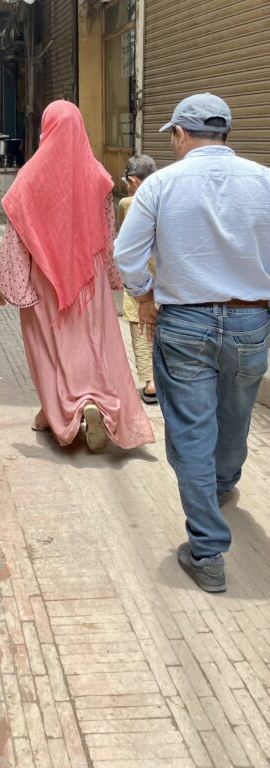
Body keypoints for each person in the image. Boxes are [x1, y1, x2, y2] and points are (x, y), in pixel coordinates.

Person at [114, 93, 270, 593]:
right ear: (224, 132)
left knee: (191, 431)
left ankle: (206, 551)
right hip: (250, 321)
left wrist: (143, 295)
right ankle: (222, 487)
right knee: (235, 415)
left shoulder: (160, 184)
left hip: (185, 323)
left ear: (180, 134)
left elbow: (127, 254)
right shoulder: (264, 180)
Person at [0, 100, 154, 453]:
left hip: (45, 275)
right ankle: (91, 402)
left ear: (46, 129)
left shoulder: (30, 175)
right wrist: (112, 275)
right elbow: (107, 232)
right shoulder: (96, 174)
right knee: (93, 344)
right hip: (88, 278)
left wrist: (6, 283)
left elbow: (16, 234)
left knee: (49, 349)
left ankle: (62, 410)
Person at [118, 155, 158, 404]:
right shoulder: (169, 194)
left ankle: (150, 382)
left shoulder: (128, 203)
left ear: (133, 180)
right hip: (170, 277)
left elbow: (126, 245)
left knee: (140, 325)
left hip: (142, 278)